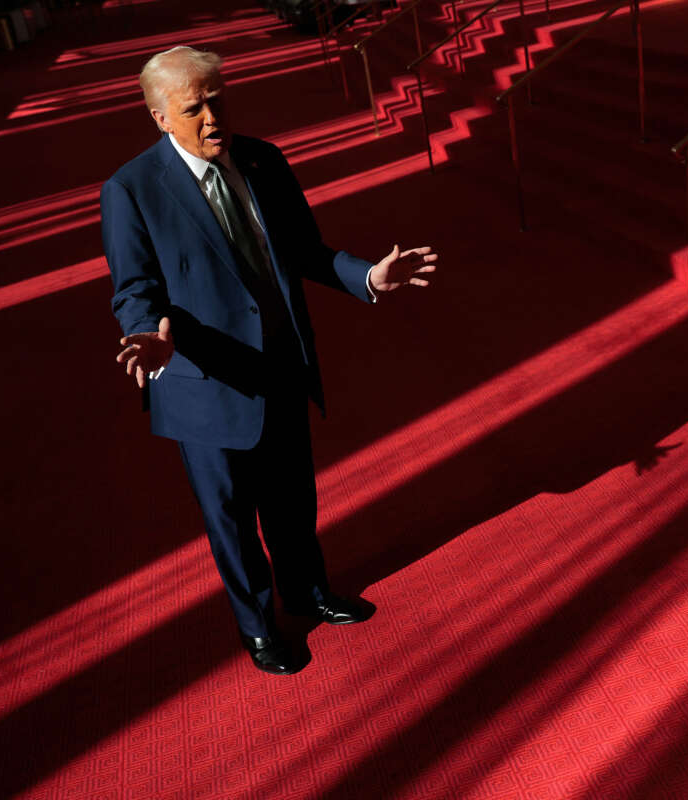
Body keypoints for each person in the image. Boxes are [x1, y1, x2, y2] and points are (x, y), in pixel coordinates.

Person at [102, 45, 438, 675]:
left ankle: (308, 592)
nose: (210, 118)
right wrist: (148, 335)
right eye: (193, 108)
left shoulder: (263, 159)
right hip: (204, 381)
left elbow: (306, 250)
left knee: (292, 500)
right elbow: (135, 287)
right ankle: (259, 628)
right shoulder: (131, 190)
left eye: (217, 101)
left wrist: (369, 276)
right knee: (231, 518)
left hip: (281, 362)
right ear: (160, 118)